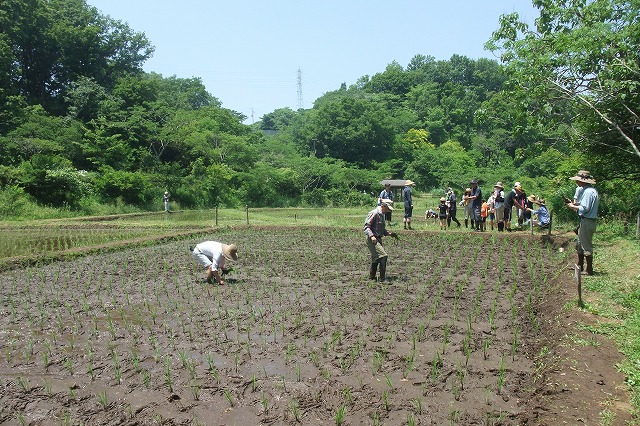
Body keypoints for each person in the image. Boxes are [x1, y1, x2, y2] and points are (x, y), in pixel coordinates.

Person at [566, 170, 599, 275]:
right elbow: (584, 204)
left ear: (582, 181)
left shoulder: (588, 192)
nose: (576, 182)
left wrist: (572, 206)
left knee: (586, 246)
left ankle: (589, 270)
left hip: (587, 221)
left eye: (578, 180)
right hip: (586, 221)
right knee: (580, 245)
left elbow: (585, 208)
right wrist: (573, 204)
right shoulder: (590, 190)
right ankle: (580, 266)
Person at [364, 199, 397, 281]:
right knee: (383, 256)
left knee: (376, 258)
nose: (388, 211)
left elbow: (381, 229)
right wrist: (372, 236)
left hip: (378, 238)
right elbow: (366, 227)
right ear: (383, 206)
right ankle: (382, 279)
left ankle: (372, 277)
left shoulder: (382, 215)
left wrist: (389, 234)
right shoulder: (374, 213)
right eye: (388, 208)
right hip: (372, 239)